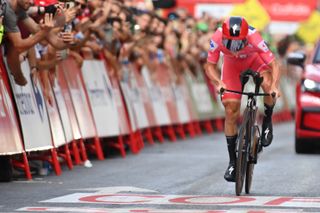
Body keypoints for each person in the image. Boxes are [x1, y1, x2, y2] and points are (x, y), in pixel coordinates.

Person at [204, 16, 280, 182]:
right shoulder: (217, 37)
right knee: (230, 110)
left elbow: (274, 64)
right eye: (230, 44)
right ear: (224, 38)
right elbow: (209, 65)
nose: (235, 49)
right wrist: (218, 82)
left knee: (267, 86)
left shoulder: (254, 37)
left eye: (239, 44)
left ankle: (267, 120)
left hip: (255, 61)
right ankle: (232, 162)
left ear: (246, 37)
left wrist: (274, 86)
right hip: (232, 67)